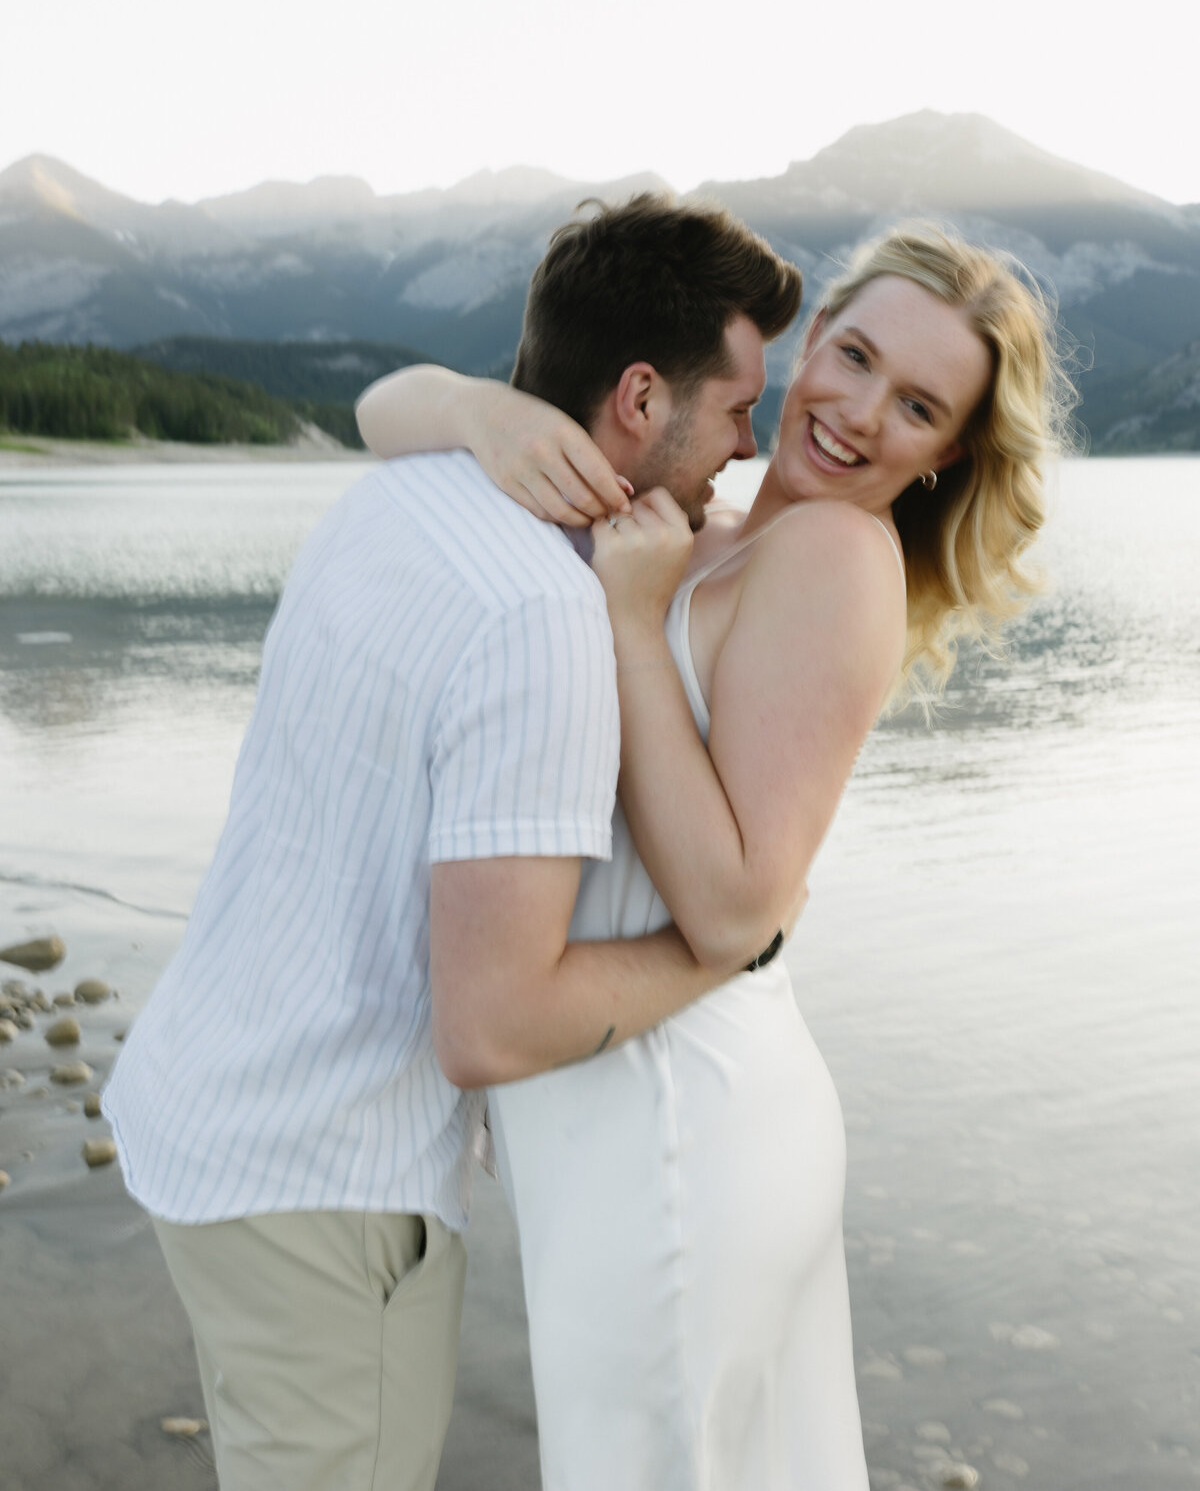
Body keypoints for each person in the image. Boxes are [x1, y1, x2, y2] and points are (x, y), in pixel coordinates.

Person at [101, 193, 801, 1491]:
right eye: (739, 409)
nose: (748, 450)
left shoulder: (412, 488)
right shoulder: (541, 619)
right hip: (321, 1186)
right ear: (640, 401)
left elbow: (391, 406)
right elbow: (488, 1026)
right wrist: (727, 951)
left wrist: (468, 407)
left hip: (203, 1111)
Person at [358, 220, 1071, 1491]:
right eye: (850, 357)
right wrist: (480, 408)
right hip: (607, 1097)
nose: (854, 412)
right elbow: (378, 412)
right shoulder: (722, 512)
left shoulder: (837, 556)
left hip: (681, 1121)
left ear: (949, 450)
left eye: (914, 405)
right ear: (813, 339)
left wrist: (633, 623)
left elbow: (738, 905)